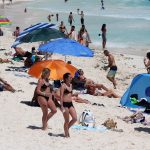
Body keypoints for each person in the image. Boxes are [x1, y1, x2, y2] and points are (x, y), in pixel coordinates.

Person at [60, 73, 77, 137]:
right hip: (64, 104)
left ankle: (66, 129)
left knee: (75, 118)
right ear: (66, 78)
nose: (71, 78)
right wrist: (61, 106)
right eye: (70, 77)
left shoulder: (71, 85)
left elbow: (70, 94)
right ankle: (66, 133)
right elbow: (61, 96)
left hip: (70, 103)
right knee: (67, 120)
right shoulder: (63, 86)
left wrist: (74, 95)